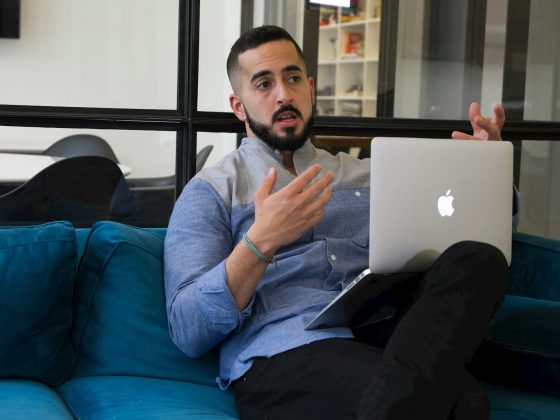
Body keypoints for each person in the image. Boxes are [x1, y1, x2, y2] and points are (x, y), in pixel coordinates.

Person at [164, 25, 514, 420]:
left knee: (479, 257)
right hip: (284, 353)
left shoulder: (373, 174)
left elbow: (468, 232)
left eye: (293, 78)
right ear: (239, 106)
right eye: (263, 84)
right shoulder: (212, 191)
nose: (284, 94)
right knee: (462, 401)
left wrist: (484, 175)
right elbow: (188, 329)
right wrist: (260, 242)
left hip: (385, 336)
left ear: (310, 89)